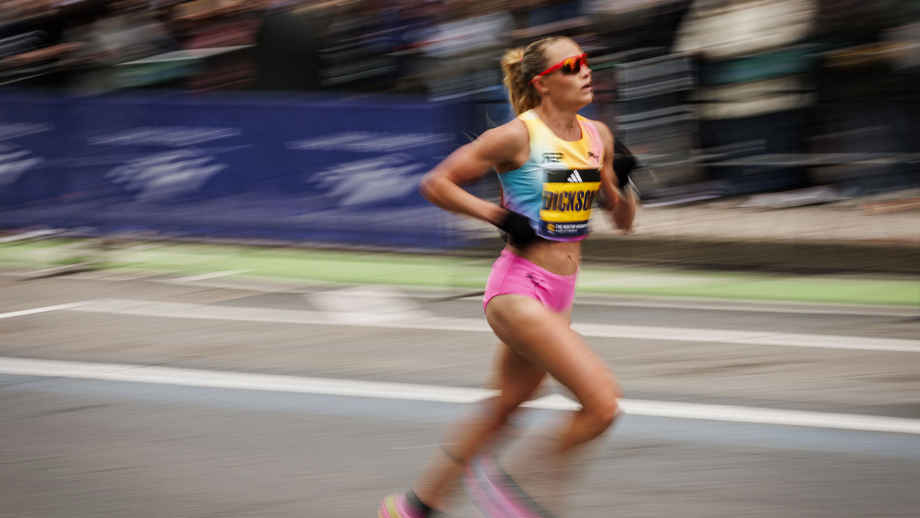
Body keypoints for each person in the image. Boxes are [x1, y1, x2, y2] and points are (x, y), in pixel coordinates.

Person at [378, 35, 638, 518]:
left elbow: (623, 223)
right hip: (518, 288)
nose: (586, 70)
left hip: (560, 295)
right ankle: (514, 492)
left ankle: (413, 507)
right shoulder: (517, 136)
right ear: (543, 84)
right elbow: (436, 183)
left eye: (586, 62)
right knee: (603, 405)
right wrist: (497, 217)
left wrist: (620, 181)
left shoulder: (597, 135)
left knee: (505, 408)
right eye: (573, 65)